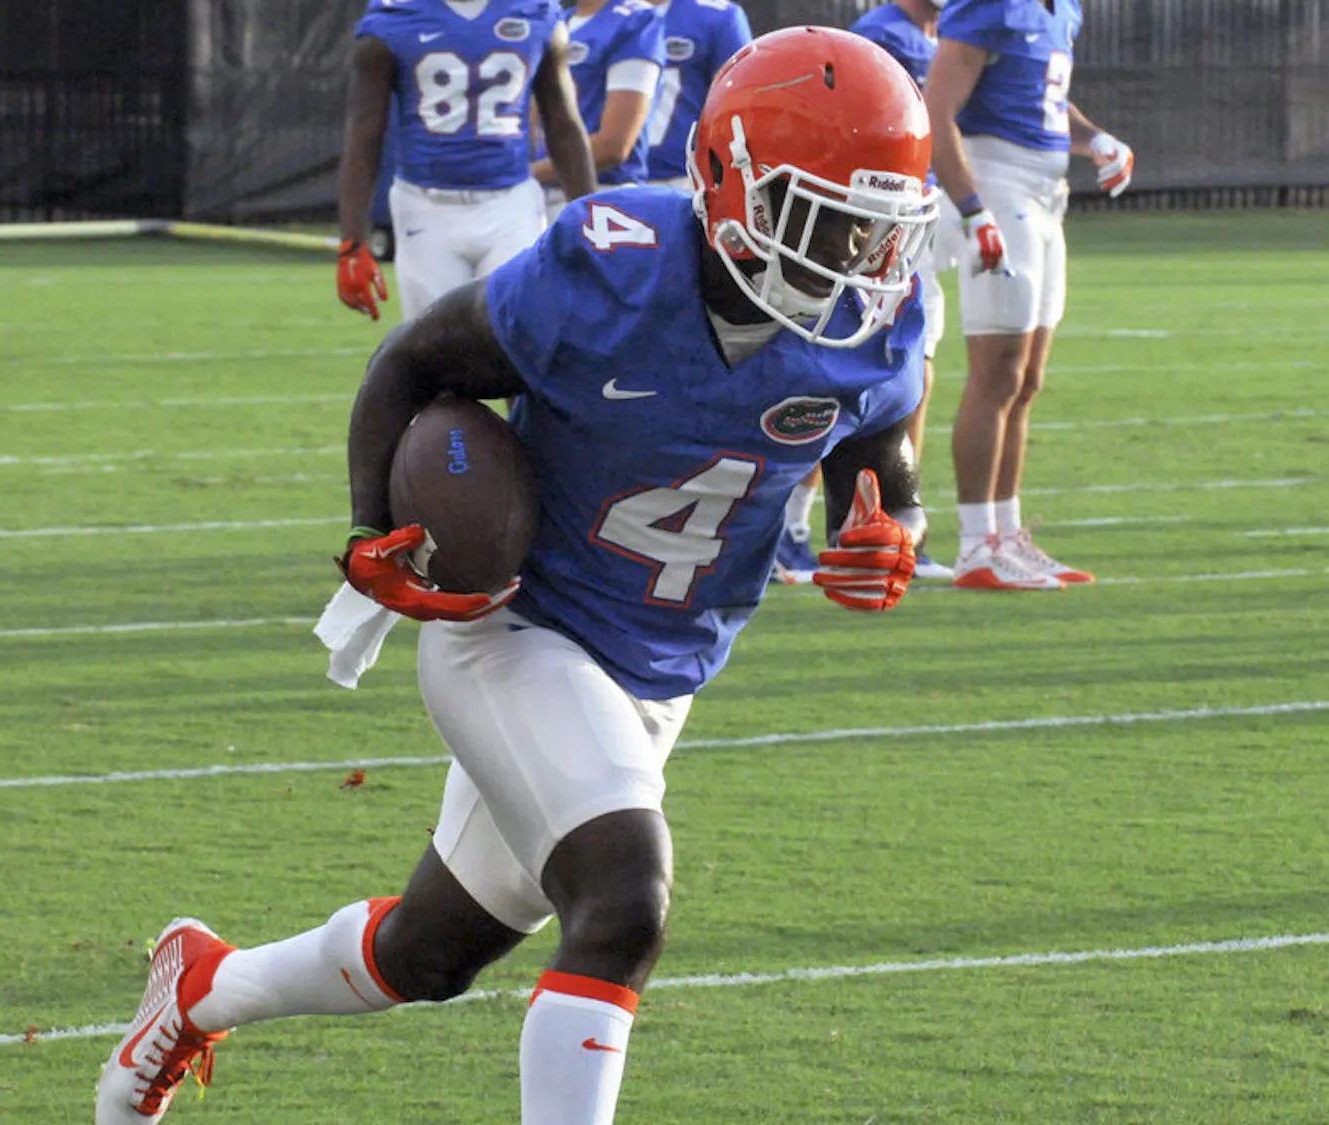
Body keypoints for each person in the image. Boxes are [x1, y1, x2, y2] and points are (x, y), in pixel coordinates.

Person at [95, 27, 940, 1125]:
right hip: (517, 625)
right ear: (733, 184)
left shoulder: (873, 318)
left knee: (429, 953)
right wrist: (371, 532)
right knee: (623, 901)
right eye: (827, 218)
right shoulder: (612, 266)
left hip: (658, 672)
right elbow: (413, 362)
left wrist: (891, 531)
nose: (859, 255)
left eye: (877, 225)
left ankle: (201, 989)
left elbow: (880, 465)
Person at [925, 0, 1135, 589]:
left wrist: (1097, 139)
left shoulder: (1062, 9)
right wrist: (972, 209)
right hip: (997, 185)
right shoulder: (991, 4)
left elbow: (1044, 101)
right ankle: (975, 545)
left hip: (1046, 194)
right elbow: (936, 110)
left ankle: (1007, 533)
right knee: (997, 372)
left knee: (1026, 379)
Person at [336, 0, 599, 323]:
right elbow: (364, 133)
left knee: (516, 332)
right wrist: (352, 242)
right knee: (436, 340)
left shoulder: (536, 12)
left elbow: (564, 125)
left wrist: (592, 220)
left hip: (510, 203)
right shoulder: (394, 17)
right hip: (425, 206)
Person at [846, 0, 956, 582]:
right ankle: (795, 524)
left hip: (919, 214)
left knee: (916, 373)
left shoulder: (944, 33)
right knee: (847, 369)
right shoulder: (880, 33)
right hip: (879, 216)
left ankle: (894, 522)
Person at [531, 0, 666, 222]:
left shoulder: (635, 20)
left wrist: (523, 176)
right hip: (538, 196)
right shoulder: (557, 20)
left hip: (604, 193)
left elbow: (614, 145)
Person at [642, 0, 753, 191]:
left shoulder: (718, 16)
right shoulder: (601, 14)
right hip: (609, 176)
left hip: (686, 179)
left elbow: (740, 106)